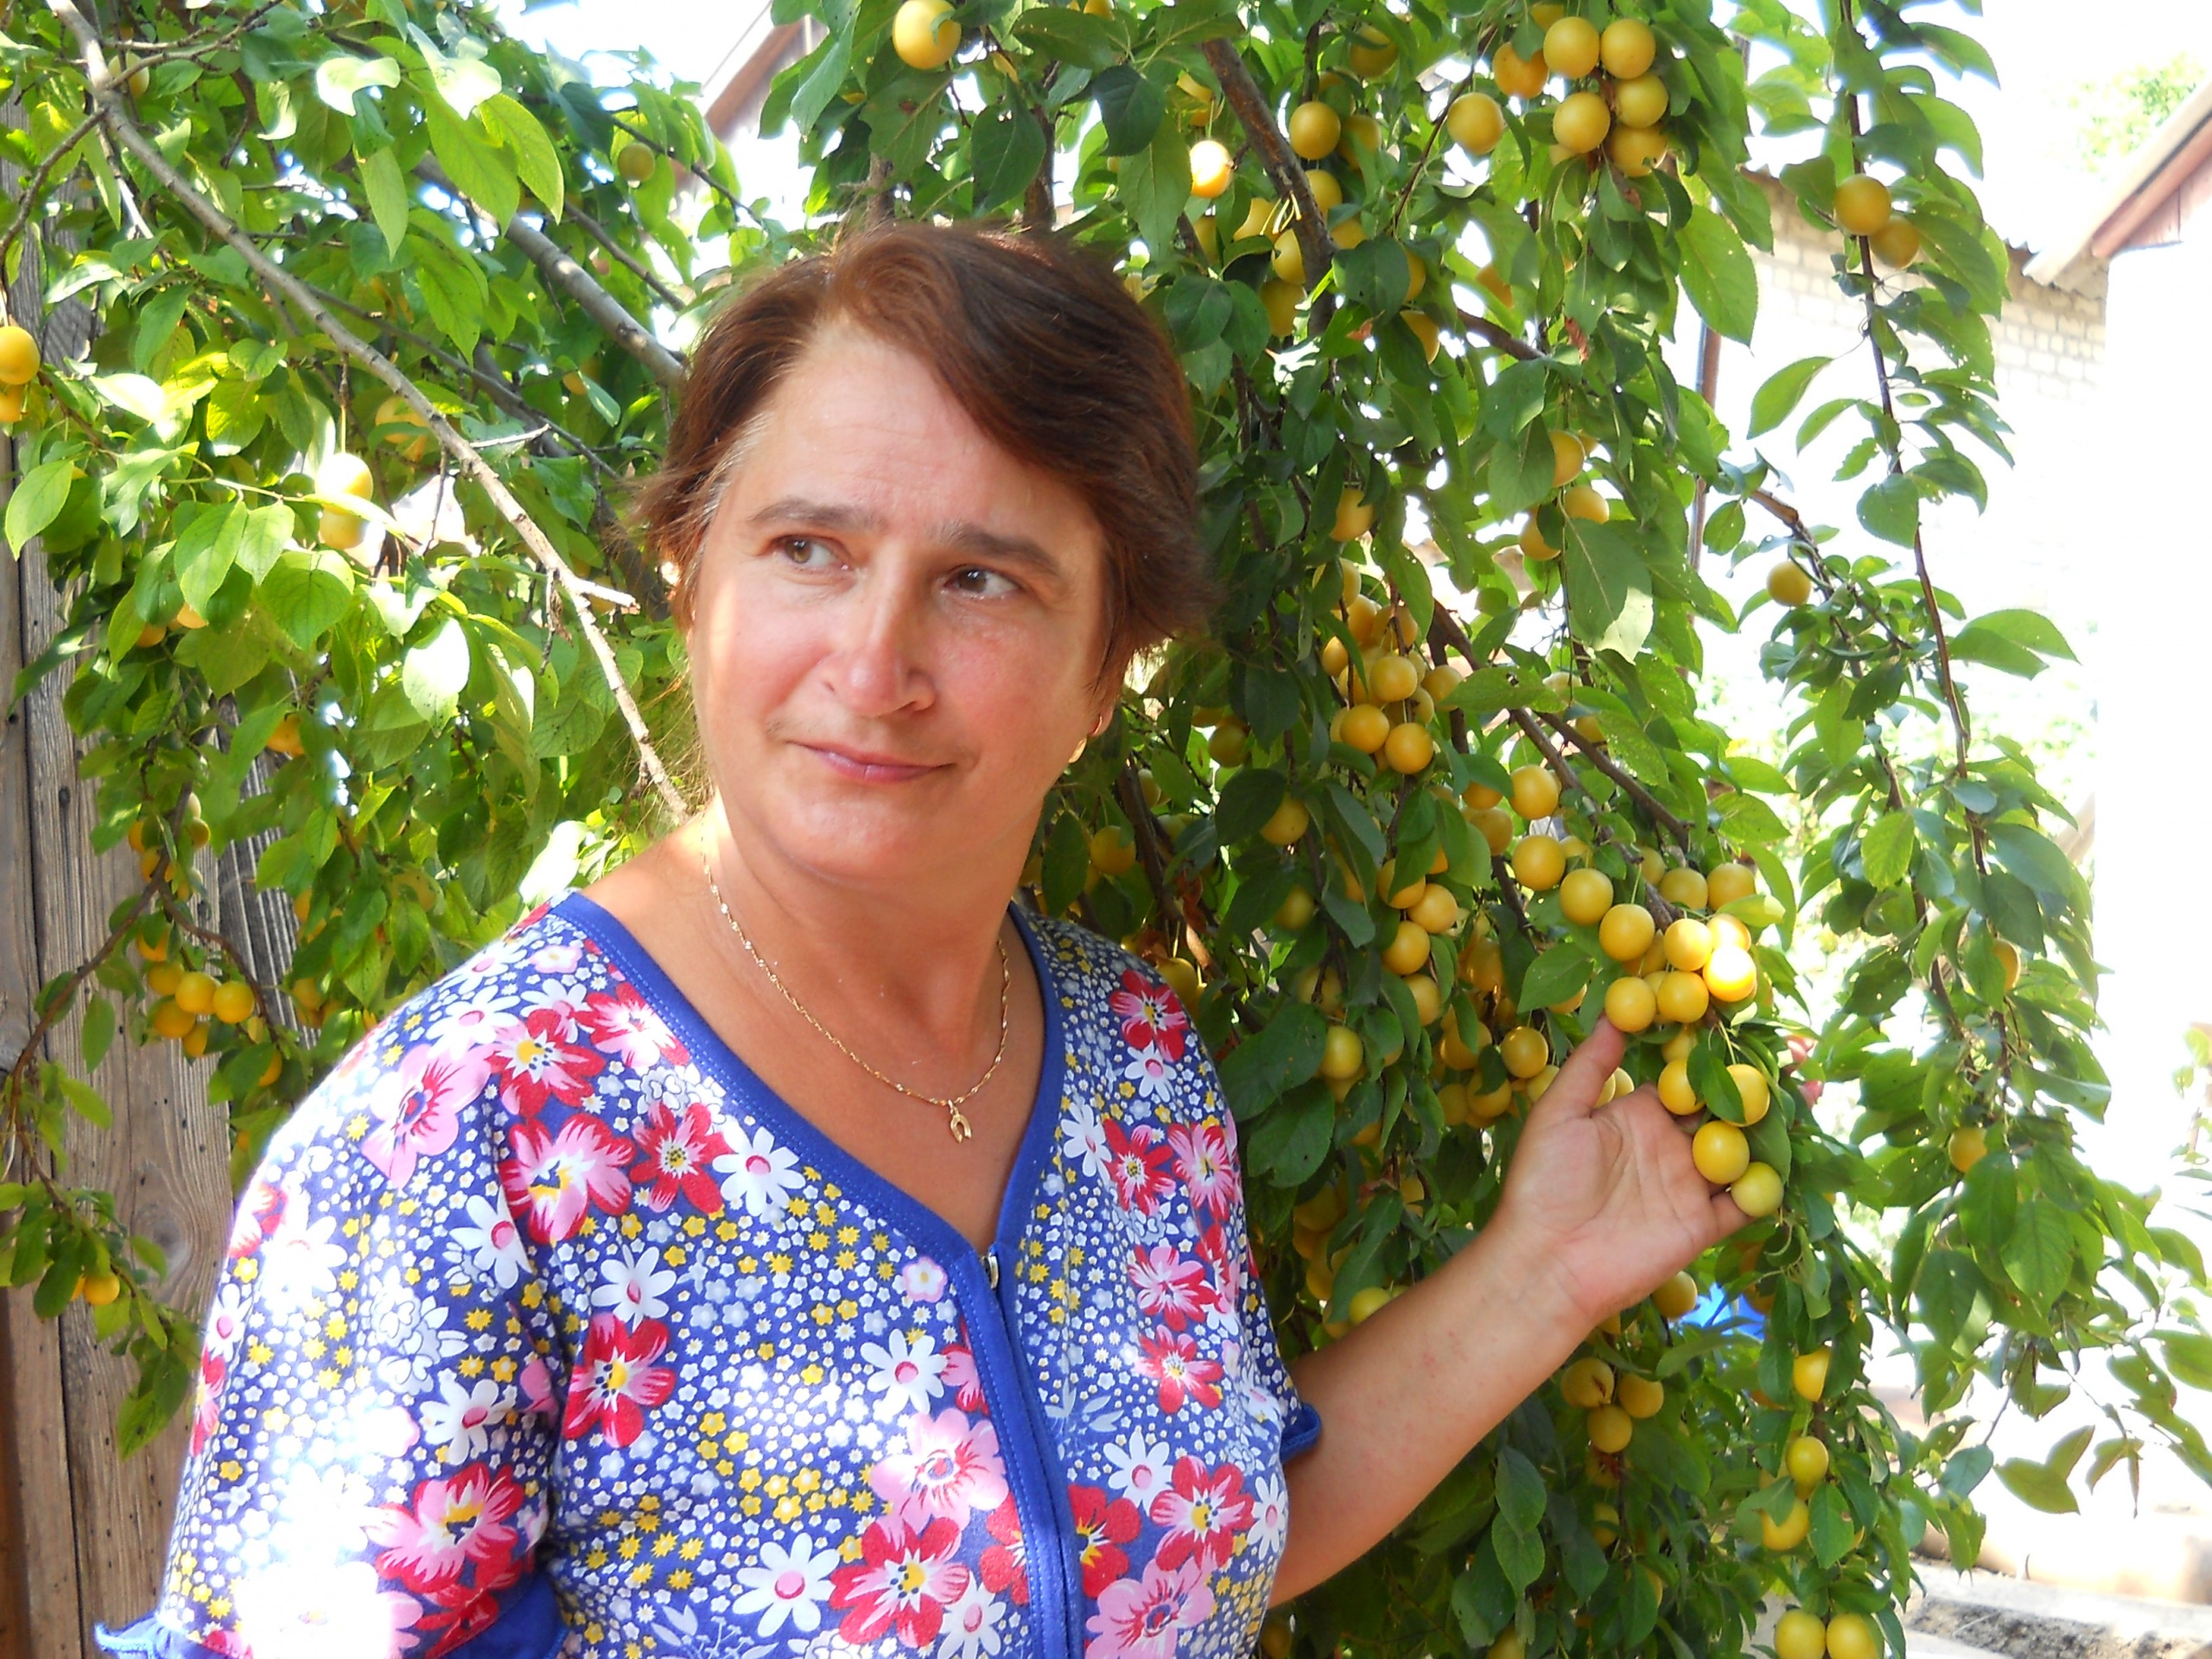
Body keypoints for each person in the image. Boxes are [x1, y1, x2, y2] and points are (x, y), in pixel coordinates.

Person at [100, 224, 1742, 1659]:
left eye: (981, 581)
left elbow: (1185, 1544)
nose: (874, 665)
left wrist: (1543, 1274)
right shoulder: (463, 1138)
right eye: (807, 550)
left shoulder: (1134, 1059)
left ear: (1104, 672)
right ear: (689, 581)